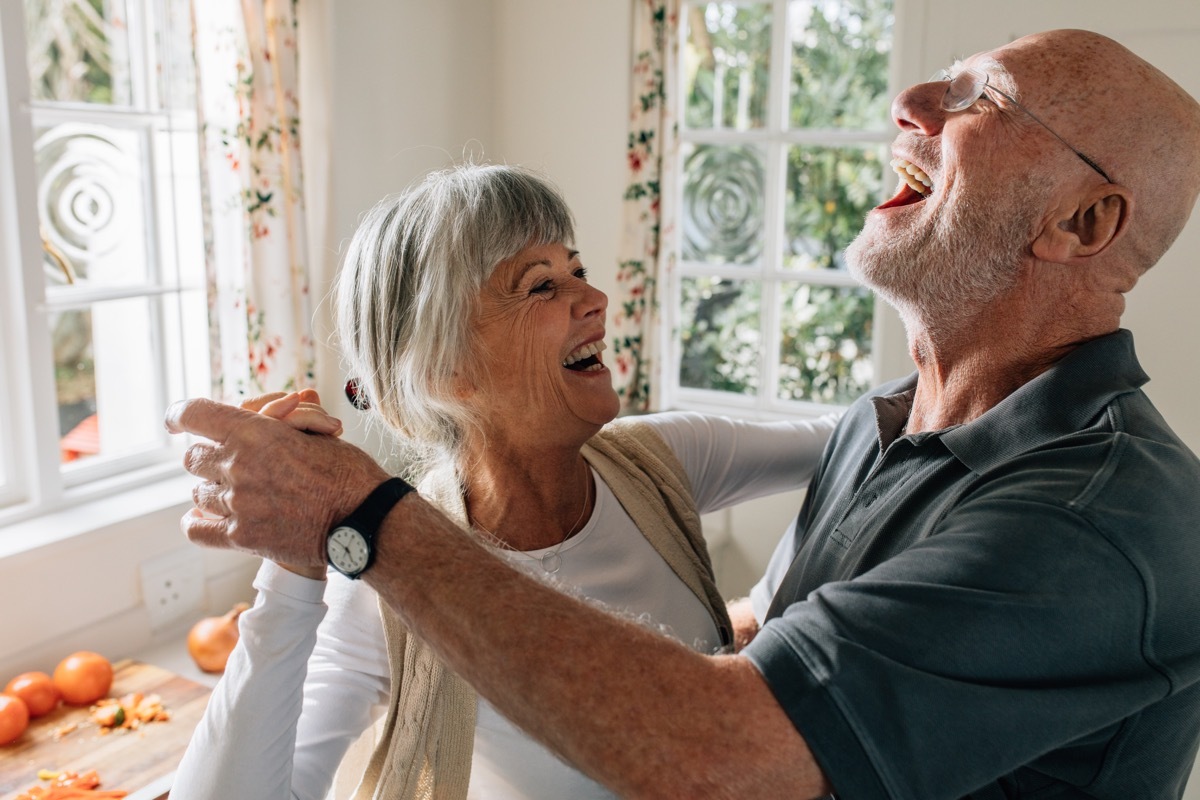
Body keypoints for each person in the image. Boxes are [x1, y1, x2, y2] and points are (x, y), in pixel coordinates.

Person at [167, 29, 1200, 798]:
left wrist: (361, 520)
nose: (913, 97)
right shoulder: (883, 425)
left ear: (1085, 221)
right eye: (538, 283)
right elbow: (785, 644)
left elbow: (727, 742)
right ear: (441, 369)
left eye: (984, 96)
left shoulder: (1098, 521)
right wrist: (310, 558)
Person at [168, 163, 837, 799]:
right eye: (542, 285)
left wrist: (776, 608)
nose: (597, 300)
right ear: (444, 370)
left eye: (578, 270)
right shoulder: (382, 578)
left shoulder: (663, 461)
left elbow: (867, 442)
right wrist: (291, 568)